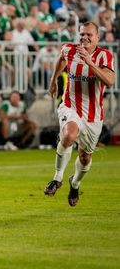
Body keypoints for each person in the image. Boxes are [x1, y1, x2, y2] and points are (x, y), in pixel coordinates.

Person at [44, 21, 116, 207]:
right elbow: (61, 58)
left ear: (97, 37)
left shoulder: (104, 56)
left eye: (89, 35)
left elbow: (110, 81)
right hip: (70, 106)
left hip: (93, 115)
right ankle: (57, 178)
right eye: (82, 34)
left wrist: (90, 62)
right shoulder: (70, 49)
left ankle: (74, 183)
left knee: (85, 157)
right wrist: (53, 80)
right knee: (68, 135)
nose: (84, 37)